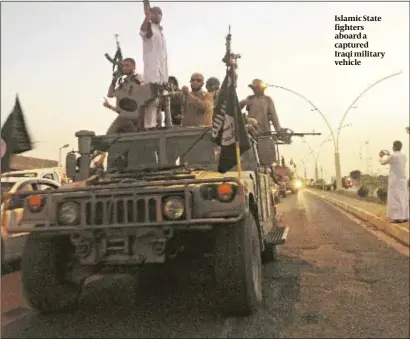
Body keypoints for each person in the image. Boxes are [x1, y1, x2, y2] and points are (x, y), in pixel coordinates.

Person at [140, 5, 168, 131]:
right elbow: (143, 30)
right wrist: (147, 17)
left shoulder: (160, 31)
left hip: (162, 70)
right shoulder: (149, 28)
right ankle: (149, 126)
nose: (158, 15)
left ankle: (160, 123)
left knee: (162, 99)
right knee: (152, 100)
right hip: (152, 70)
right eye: (155, 12)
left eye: (159, 13)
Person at [104, 58, 144, 134]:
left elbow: (143, 87)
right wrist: (114, 80)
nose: (124, 68)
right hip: (126, 114)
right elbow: (110, 94)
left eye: (127, 65)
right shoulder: (123, 83)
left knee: (110, 134)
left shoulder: (138, 77)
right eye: (123, 66)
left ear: (134, 67)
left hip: (135, 112)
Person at [380, 140, 409, 223]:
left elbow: (383, 162)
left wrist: (382, 156)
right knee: (403, 197)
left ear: (394, 147)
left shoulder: (393, 155)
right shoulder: (404, 155)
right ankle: (405, 216)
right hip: (402, 179)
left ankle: (397, 217)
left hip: (395, 180)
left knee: (395, 198)